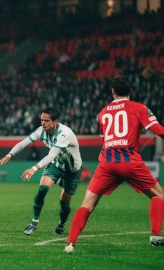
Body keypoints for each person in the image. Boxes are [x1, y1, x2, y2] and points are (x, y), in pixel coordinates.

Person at [64, 76, 164, 254]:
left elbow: (106, 140)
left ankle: (70, 243)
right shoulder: (139, 108)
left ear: (112, 91)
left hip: (107, 163)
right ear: (131, 92)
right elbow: (159, 131)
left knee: (87, 203)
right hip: (130, 161)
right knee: (158, 195)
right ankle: (155, 235)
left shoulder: (103, 113)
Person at [0, 108, 82, 235]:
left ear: (55, 121)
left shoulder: (64, 133)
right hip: (55, 165)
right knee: (42, 189)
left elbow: (52, 155)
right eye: (41, 120)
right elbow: (23, 143)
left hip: (72, 170)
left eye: (46, 120)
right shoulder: (40, 131)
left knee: (64, 202)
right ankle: (34, 222)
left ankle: (61, 224)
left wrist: (34, 168)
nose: (43, 123)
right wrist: (10, 154)